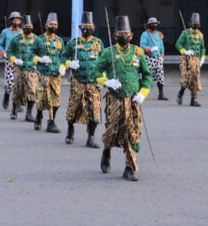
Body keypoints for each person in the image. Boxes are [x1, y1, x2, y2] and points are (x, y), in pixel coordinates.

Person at [95, 16, 152, 181]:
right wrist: (107, 81)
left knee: (132, 132)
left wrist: (143, 93)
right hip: (115, 99)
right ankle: (106, 151)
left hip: (133, 100)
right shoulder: (108, 53)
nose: (123, 36)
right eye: (120, 33)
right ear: (114, 35)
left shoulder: (138, 52)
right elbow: (95, 72)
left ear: (131, 35)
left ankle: (129, 168)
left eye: (126, 33)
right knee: (112, 130)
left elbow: (147, 76)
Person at [64, 11, 104, 147]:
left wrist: (104, 79)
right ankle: (70, 129)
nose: (87, 28)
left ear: (93, 27)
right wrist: (69, 64)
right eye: (85, 26)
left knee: (94, 109)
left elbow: (103, 62)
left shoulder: (98, 43)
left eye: (90, 25)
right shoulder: (73, 43)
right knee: (73, 107)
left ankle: (91, 137)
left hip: (93, 82)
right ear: (80, 28)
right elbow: (62, 57)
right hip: (78, 80)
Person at [34, 12, 67, 132]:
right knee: (42, 97)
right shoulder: (39, 39)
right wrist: (40, 59)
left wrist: (63, 67)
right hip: (43, 73)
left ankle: (51, 122)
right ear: (46, 24)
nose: (53, 26)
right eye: (51, 23)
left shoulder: (60, 41)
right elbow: (31, 56)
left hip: (55, 74)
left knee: (56, 98)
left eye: (55, 24)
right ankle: (38, 116)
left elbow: (63, 57)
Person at [7, 15, 40, 122]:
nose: (28, 27)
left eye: (29, 25)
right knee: (17, 90)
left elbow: (41, 53)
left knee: (32, 90)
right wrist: (14, 59)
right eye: (25, 26)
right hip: (19, 69)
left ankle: (29, 113)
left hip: (32, 69)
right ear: (22, 26)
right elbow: (9, 52)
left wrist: (37, 60)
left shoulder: (37, 39)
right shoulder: (16, 39)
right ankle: (14, 110)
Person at [175, 13, 205, 107]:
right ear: (190, 23)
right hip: (186, 60)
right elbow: (178, 44)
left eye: (197, 22)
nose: (195, 23)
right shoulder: (185, 33)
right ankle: (180, 94)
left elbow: (202, 48)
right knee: (186, 79)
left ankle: (193, 100)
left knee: (195, 79)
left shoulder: (200, 35)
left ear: (199, 23)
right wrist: (185, 51)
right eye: (193, 22)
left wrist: (202, 59)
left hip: (196, 60)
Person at [0, 12, 24, 110]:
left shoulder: (23, 33)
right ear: (10, 20)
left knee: (19, 82)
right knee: (10, 82)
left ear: (20, 21)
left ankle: (17, 103)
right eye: (14, 19)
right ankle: (7, 94)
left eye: (18, 19)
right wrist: (3, 52)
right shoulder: (5, 32)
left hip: (20, 60)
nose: (16, 21)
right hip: (9, 60)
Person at [140, 17, 168, 101]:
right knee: (145, 75)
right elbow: (142, 45)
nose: (154, 25)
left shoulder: (159, 34)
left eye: (155, 24)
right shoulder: (145, 34)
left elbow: (161, 45)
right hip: (149, 58)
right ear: (149, 25)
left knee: (160, 76)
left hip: (158, 58)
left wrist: (162, 55)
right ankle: (141, 93)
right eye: (152, 24)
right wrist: (150, 49)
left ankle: (161, 93)